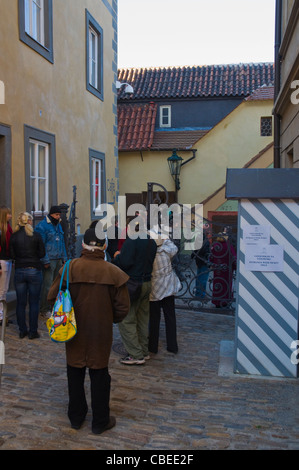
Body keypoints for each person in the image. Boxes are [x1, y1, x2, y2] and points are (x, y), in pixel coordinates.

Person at [47, 227, 130, 434]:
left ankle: (76, 417)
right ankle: (100, 421)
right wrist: (109, 319)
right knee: (100, 374)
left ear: (83, 245)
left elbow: (51, 297)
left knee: (74, 372)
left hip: (73, 329)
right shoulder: (113, 272)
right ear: (104, 246)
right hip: (100, 331)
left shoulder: (69, 268)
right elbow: (123, 308)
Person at [112, 217, 157, 365]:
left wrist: (117, 256)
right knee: (143, 318)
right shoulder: (151, 241)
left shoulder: (132, 241)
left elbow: (125, 262)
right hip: (147, 282)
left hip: (132, 284)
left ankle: (135, 355)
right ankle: (144, 351)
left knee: (127, 319)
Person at [9, 212, 45, 339]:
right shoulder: (36, 235)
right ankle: (33, 331)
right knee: (34, 302)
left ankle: (22, 330)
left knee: (21, 302)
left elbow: (12, 255)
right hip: (34, 270)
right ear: (29, 221)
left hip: (20, 270)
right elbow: (42, 253)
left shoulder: (14, 237)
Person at [148, 235, 181, 355]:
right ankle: (172, 345)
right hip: (168, 288)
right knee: (170, 318)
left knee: (154, 319)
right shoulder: (167, 252)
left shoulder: (149, 255)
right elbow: (174, 248)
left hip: (154, 289)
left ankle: (152, 346)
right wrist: (165, 239)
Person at [35, 205, 67, 317]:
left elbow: (62, 242)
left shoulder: (58, 226)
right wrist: (45, 260)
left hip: (58, 258)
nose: (58, 217)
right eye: (57, 215)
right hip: (49, 259)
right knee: (47, 285)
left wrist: (64, 258)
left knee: (57, 285)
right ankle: (44, 309)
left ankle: (54, 306)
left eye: (59, 215)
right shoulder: (43, 226)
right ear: (51, 214)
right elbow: (40, 245)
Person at [210, 229, 236, 308]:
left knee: (217, 284)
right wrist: (235, 267)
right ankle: (225, 301)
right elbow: (233, 257)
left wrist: (213, 264)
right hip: (227, 269)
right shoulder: (228, 245)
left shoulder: (215, 245)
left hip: (217, 269)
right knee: (226, 285)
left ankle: (217, 301)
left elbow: (211, 257)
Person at [0, 206, 13, 326]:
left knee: (4, 289)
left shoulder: (7, 228)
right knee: (2, 290)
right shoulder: (1, 229)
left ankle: (3, 315)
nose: (10, 216)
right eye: (8, 214)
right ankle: (1, 316)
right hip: (2, 261)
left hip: (7, 260)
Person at [191, 231, 211, 298]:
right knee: (203, 279)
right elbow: (207, 253)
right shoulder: (206, 242)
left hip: (198, 262)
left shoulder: (197, 243)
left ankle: (198, 293)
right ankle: (202, 295)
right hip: (204, 263)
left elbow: (194, 253)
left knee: (199, 278)